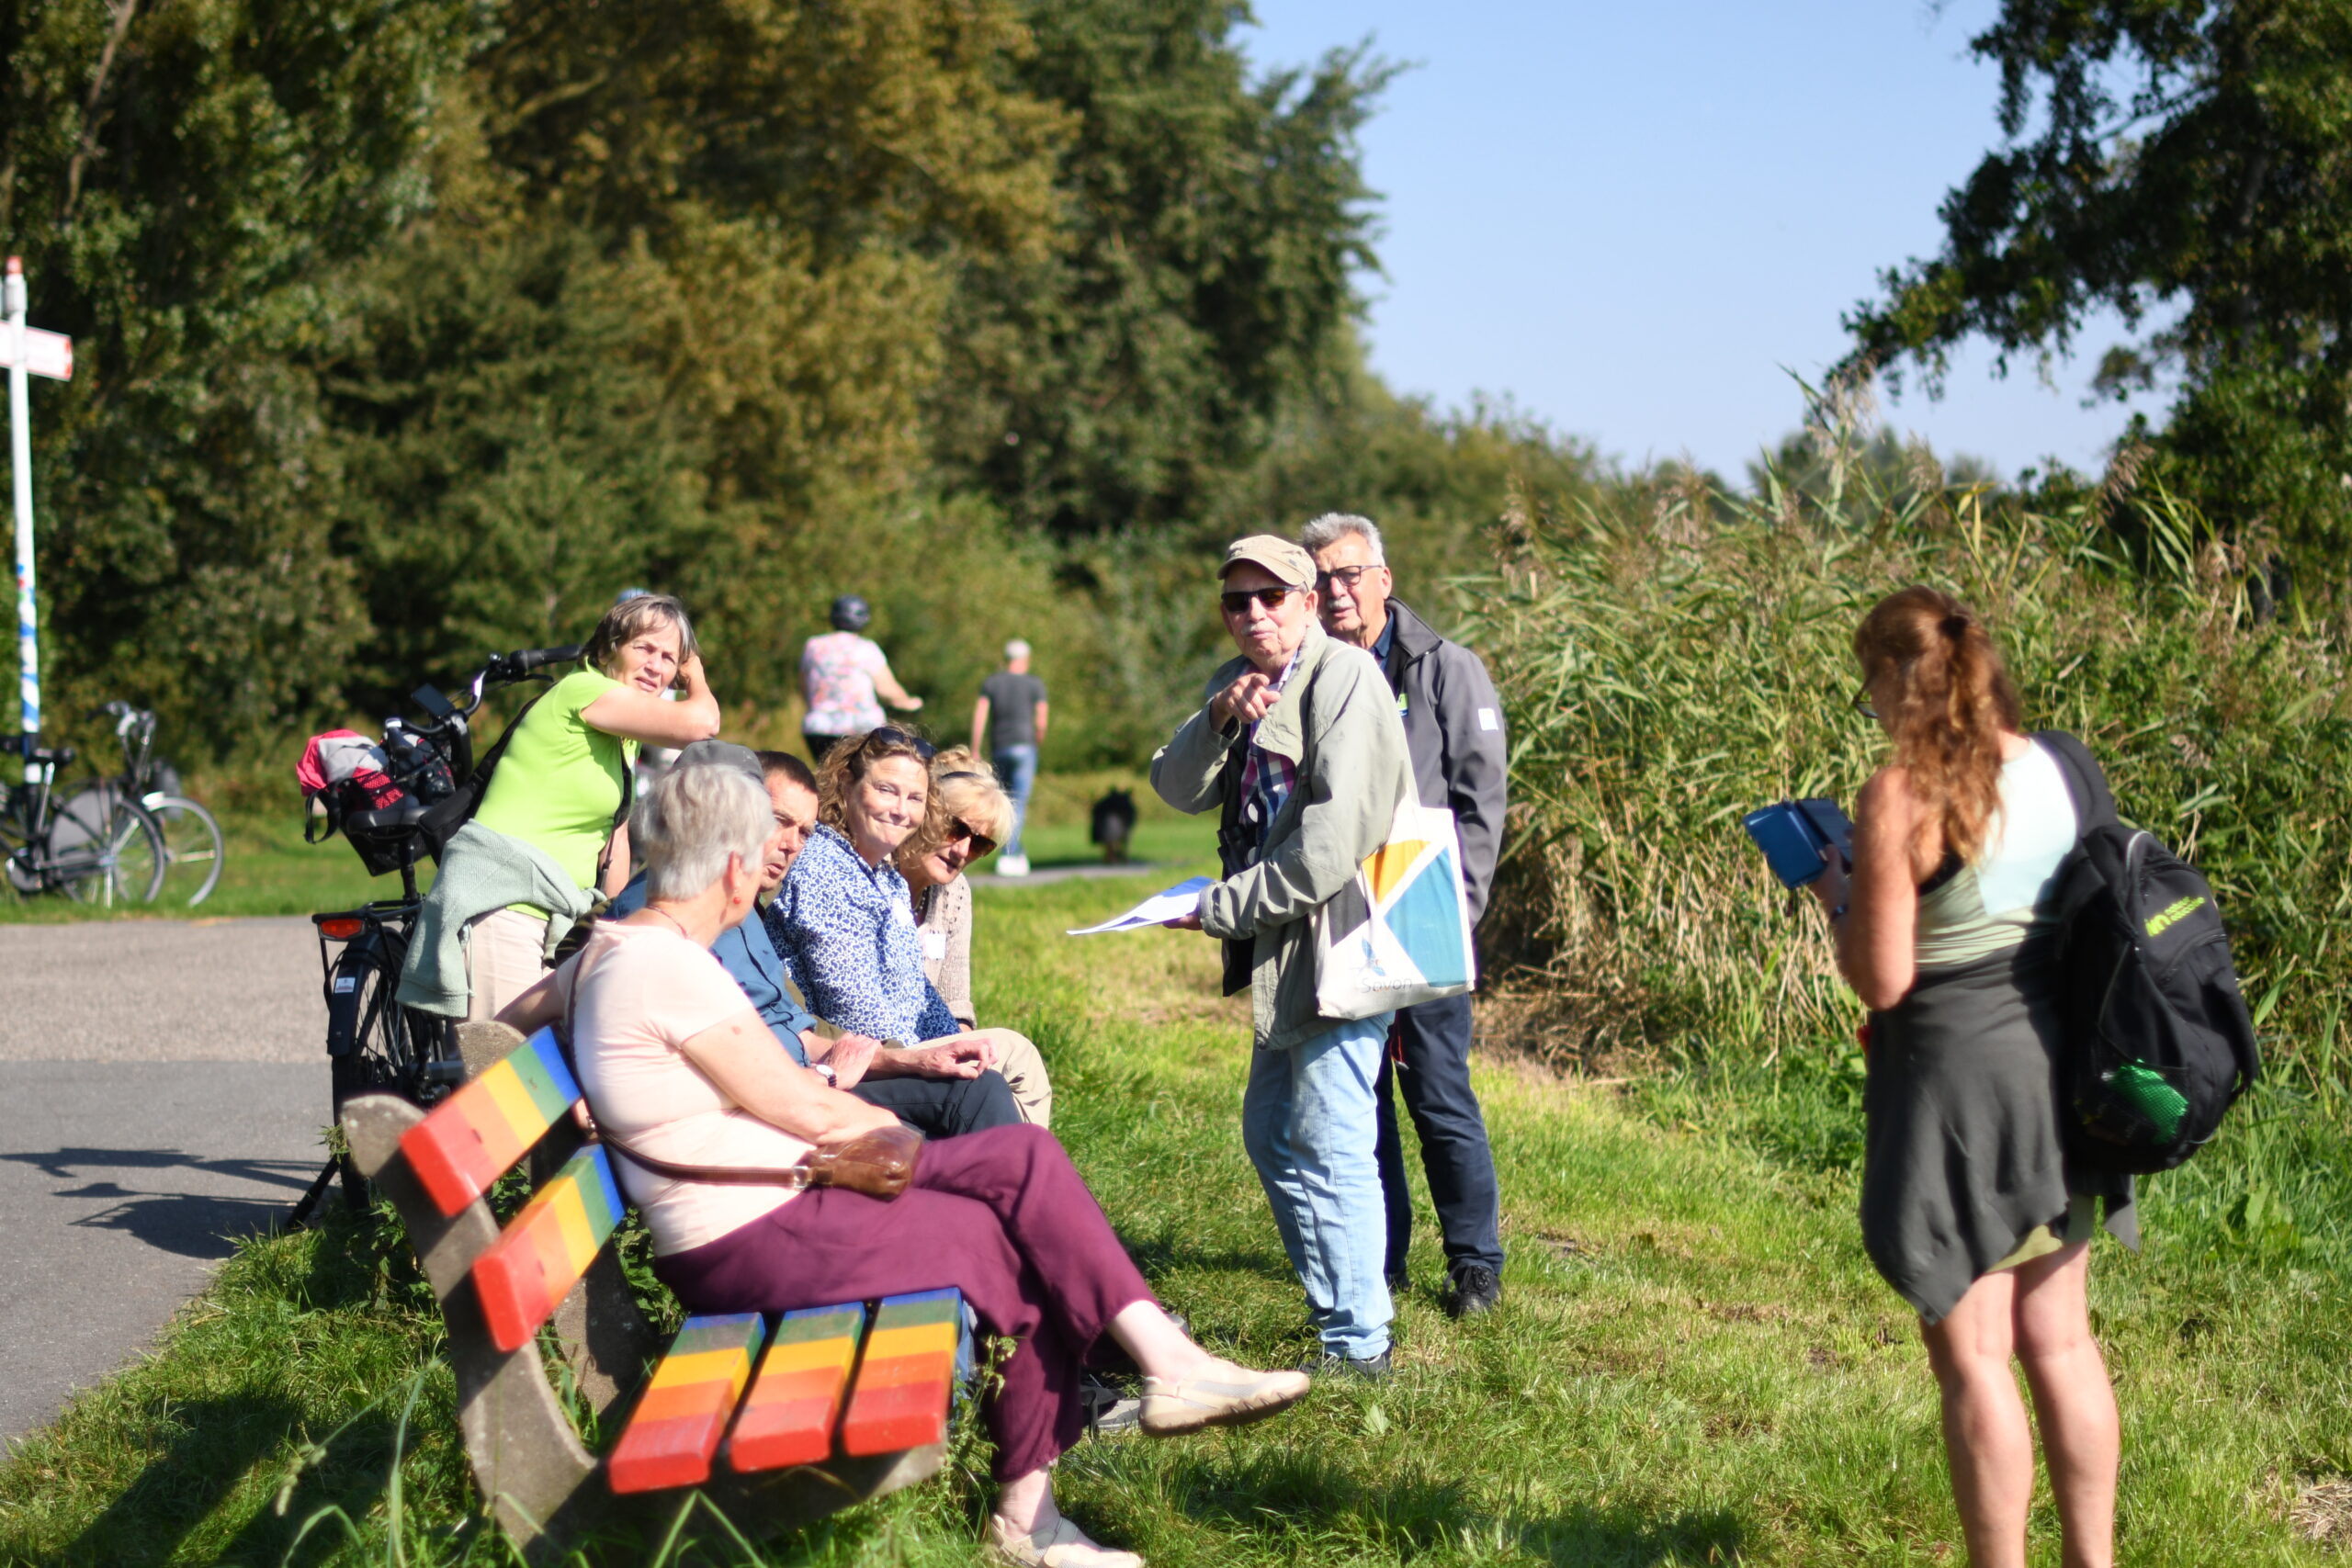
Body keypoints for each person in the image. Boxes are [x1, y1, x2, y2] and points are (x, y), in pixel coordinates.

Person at [496, 761, 1309, 1568]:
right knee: (1011, 1211)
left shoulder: (614, 949)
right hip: (752, 1234)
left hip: (767, 1210)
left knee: (1016, 1178)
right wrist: (895, 1134)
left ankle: (1145, 1390)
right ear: (736, 866)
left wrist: (587, 1078)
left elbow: (504, 1021)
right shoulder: (673, 969)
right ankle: (1049, 1498)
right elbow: (807, 1106)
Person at [1806, 586, 2132, 1568]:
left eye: (1868, 682)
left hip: (1951, 1084)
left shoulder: (1901, 794)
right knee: (2062, 1341)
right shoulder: (2062, 764)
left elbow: (1885, 977)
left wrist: (1835, 896)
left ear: (1892, 680)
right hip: (2061, 1070)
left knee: (1974, 1355)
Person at [1148, 536, 1416, 1379]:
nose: (1253, 613)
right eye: (1236, 601)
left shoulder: (1345, 677)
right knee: (1272, 1133)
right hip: (1283, 949)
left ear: (1308, 598)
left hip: (1342, 938)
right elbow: (1175, 785)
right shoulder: (1246, 686)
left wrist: (1218, 909)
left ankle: (1359, 1344)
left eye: (1270, 596)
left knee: (1332, 1137)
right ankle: (1339, 1305)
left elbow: (1334, 844)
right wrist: (1222, 715)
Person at [1301, 513, 1511, 1319]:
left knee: (1437, 1090)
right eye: (1321, 578)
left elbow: (1481, 801)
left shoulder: (1445, 668)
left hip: (1424, 910)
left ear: (1384, 577)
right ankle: (1380, 1258)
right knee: (1359, 1098)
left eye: (1350, 573)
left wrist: (1457, 913)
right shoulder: (1308, 669)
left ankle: (1475, 1264)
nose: (1336, 590)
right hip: (1335, 913)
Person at [608, 741, 1023, 1138]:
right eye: (775, 821)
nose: (790, 845)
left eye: (804, 830)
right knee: (975, 1095)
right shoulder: (671, 927)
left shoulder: (734, 908)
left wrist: (908, 1058)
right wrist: (832, 1077)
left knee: (978, 1088)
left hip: (809, 1082)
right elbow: (746, 1072)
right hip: (781, 1113)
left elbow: (791, 1030)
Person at [399, 592, 720, 1022]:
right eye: (643, 648)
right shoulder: (586, 690)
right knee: (506, 1069)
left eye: (668, 657)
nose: (655, 665)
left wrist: (611, 922)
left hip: (556, 915)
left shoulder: (622, 734)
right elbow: (703, 724)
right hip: (506, 902)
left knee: (563, 1065)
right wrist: (694, 673)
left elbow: (616, 835)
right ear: (608, 649)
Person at [769, 727, 1055, 1125]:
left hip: (892, 1045)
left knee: (995, 1062)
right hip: (843, 1056)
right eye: (887, 790)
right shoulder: (827, 866)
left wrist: (956, 1046)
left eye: (914, 798)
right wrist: (925, 1056)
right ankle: (1021, 1171)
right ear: (848, 783)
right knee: (1011, 1055)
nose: (901, 810)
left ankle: (1020, 1168)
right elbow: (852, 1009)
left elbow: (929, 998)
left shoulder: (884, 880)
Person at [897, 749, 1017, 1032]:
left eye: (980, 844)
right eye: (955, 828)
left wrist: (963, 1048)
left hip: (934, 1040)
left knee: (1012, 1050)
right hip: (882, 1047)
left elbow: (956, 1003)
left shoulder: (956, 892)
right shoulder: (877, 873)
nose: (962, 851)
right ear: (927, 812)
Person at [800, 595, 922, 765]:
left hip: (819, 727)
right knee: (860, 777)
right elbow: (886, 688)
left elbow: (805, 687)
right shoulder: (867, 648)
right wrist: (907, 701)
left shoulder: (812, 646)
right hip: (860, 729)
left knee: (825, 774)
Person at [972, 639, 1048, 876]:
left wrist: (975, 747)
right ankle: (1011, 853)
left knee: (1002, 802)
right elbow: (1042, 720)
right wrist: (1037, 741)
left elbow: (980, 715)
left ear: (1006, 658)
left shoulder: (992, 683)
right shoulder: (1035, 684)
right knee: (1019, 803)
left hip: (1000, 747)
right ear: (1026, 659)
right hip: (1025, 746)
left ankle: (1010, 851)